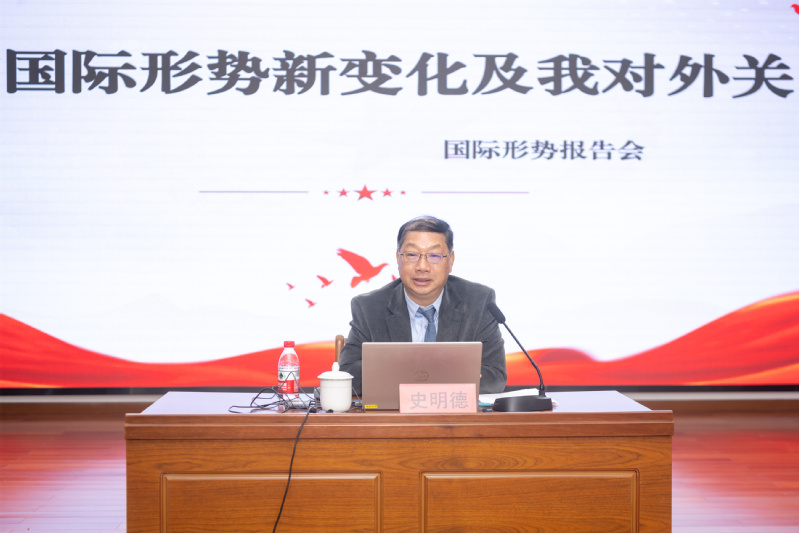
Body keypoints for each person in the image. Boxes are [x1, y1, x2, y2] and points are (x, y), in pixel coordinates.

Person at [338, 215, 507, 395]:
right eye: (412, 255)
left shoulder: (479, 302)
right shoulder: (369, 307)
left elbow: (495, 377)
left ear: (450, 260)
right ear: (398, 258)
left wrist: (417, 375)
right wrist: (440, 375)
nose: (422, 267)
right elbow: (348, 374)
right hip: (394, 413)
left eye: (434, 256)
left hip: (453, 411)